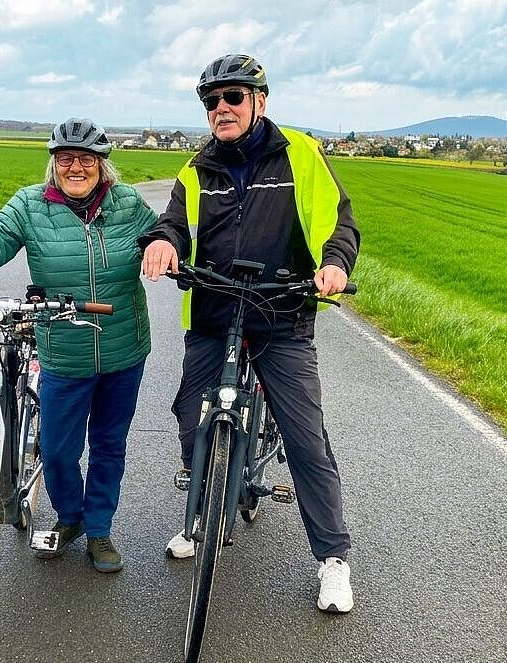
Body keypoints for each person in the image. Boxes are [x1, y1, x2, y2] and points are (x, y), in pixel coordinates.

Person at [139, 54, 360, 612]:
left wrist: (334, 263)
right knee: (192, 419)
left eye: (232, 97)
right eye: (211, 102)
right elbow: (173, 223)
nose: (221, 109)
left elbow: (339, 221)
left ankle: (333, 559)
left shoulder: (300, 154)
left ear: (260, 101)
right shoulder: (197, 170)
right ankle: (198, 516)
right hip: (215, 313)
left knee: (307, 439)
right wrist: (163, 243)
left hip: (282, 313)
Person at [0, 118, 156, 573]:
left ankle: (98, 530)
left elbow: (165, 238)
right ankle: (70, 516)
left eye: (86, 159)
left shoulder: (128, 203)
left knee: (109, 444)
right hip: (62, 347)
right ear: (53, 164)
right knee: (56, 448)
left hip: (123, 347)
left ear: (102, 165)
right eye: (66, 159)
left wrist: (173, 252)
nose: (76, 167)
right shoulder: (31, 205)